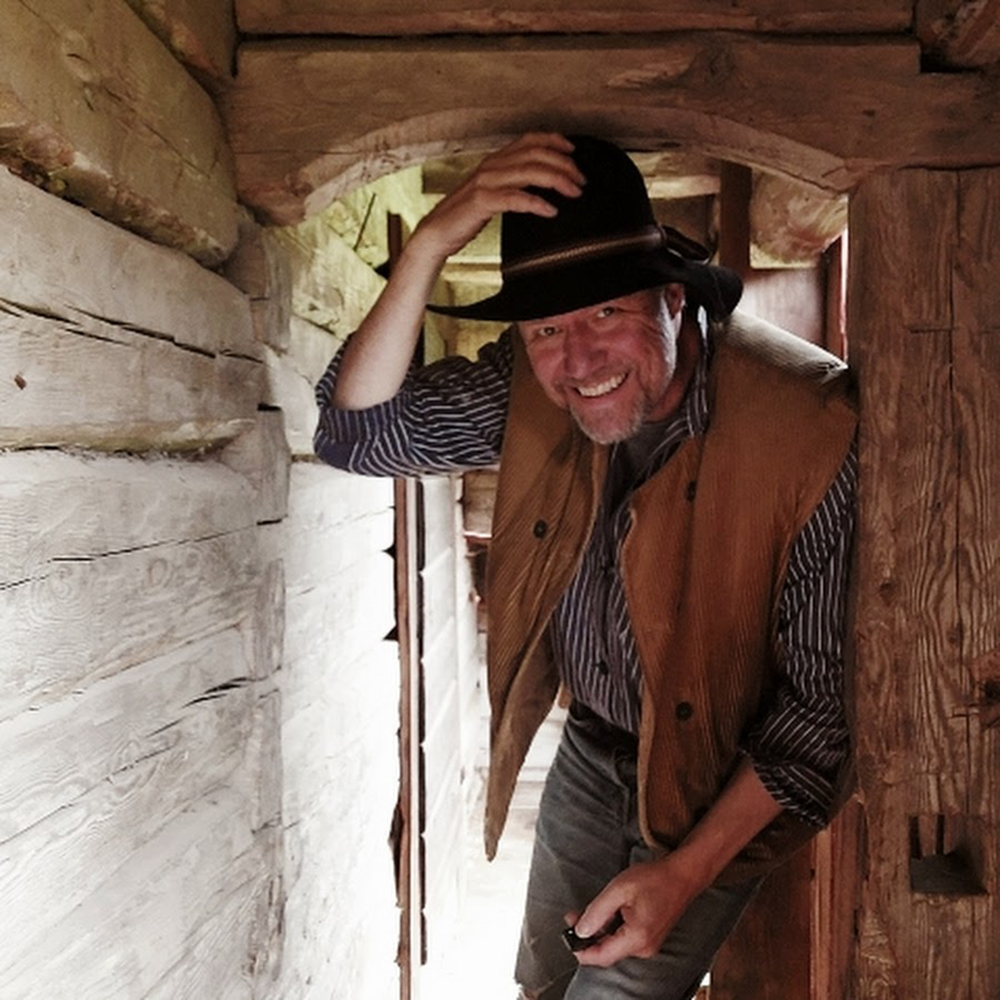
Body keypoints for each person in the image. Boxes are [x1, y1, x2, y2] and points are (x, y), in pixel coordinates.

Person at [314, 133, 857, 999]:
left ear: (674, 299)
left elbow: (816, 721)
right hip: (590, 748)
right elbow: (356, 435)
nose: (579, 361)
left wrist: (683, 876)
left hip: (716, 782)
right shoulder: (533, 387)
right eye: (547, 327)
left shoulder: (810, 426)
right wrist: (431, 242)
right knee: (543, 981)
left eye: (608, 312)